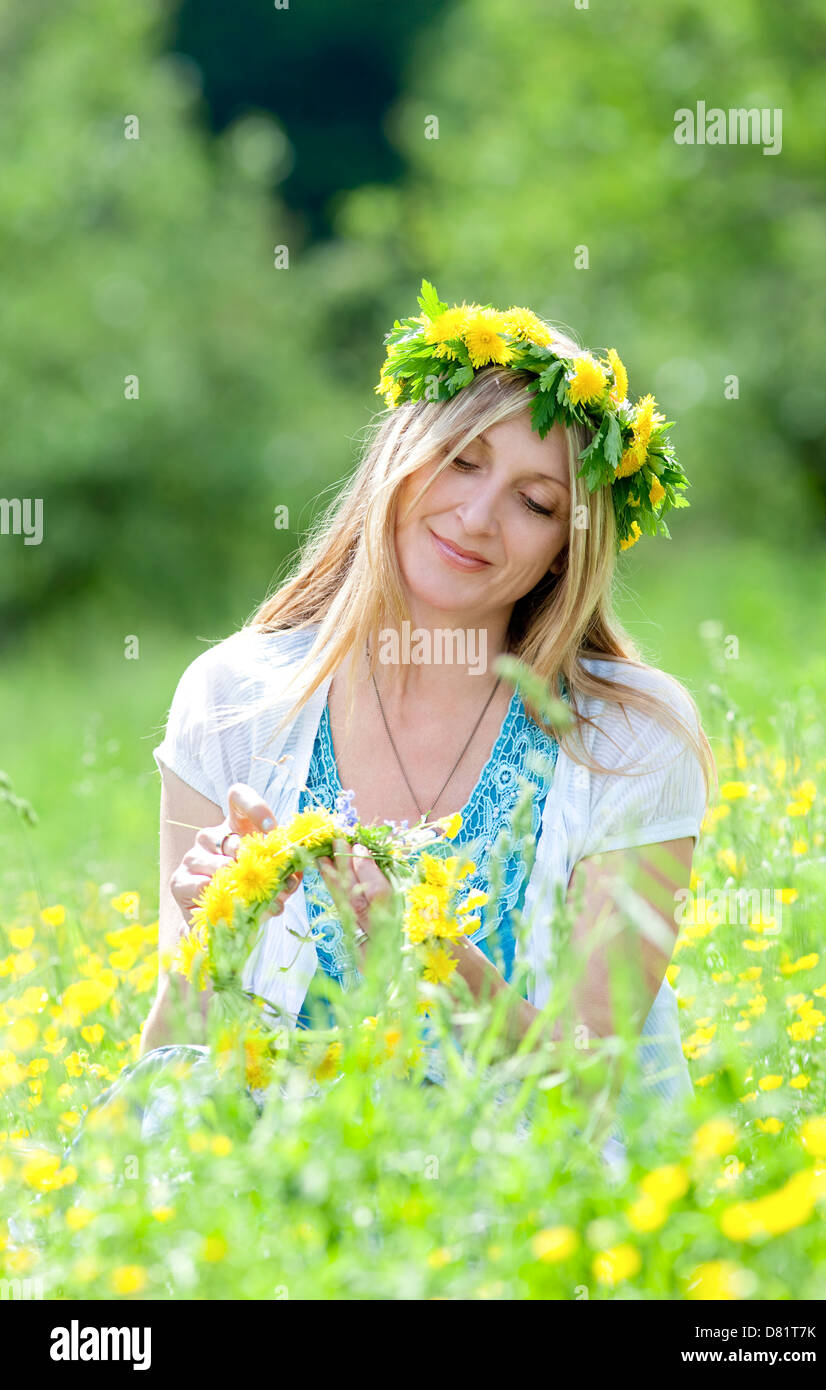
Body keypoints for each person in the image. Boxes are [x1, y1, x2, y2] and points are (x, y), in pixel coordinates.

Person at [133, 282, 714, 1159]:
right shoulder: (235, 699)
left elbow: (599, 1073)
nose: (477, 519)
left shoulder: (631, 740)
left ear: (569, 548)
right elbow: (175, 1053)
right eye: (463, 461)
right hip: (296, 1208)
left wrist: (444, 963)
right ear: (399, 459)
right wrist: (218, 931)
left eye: (537, 502)